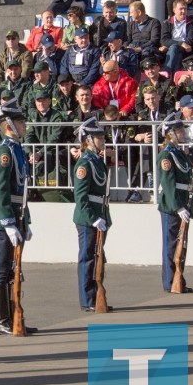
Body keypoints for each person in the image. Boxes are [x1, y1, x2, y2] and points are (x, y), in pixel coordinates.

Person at [0, 99, 36, 336]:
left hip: (18, 216)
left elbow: (22, 192)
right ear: (8, 125)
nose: (24, 124)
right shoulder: (4, 153)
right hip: (3, 219)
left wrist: (26, 221)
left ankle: (15, 315)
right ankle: (1, 320)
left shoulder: (17, 150)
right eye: (19, 121)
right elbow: (1, 189)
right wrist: (8, 222)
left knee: (15, 269)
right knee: (2, 267)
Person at [71, 118, 111, 313]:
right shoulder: (84, 164)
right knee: (87, 258)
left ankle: (96, 295)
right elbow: (81, 197)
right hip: (88, 219)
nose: (102, 139)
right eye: (98, 137)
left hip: (100, 214)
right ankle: (87, 299)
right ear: (88, 140)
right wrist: (94, 218)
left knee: (98, 258)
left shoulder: (96, 160)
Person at [157, 112, 193, 293]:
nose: (183, 133)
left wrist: (189, 205)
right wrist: (178, 206)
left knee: (182, 245)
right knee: (171, 244)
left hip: (183, 202)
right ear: (170, 133)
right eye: (179, 130)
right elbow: (168, 183)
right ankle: (170, 281)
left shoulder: (179, 153)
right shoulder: (167, 155)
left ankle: (179, 279)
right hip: (172, 205)